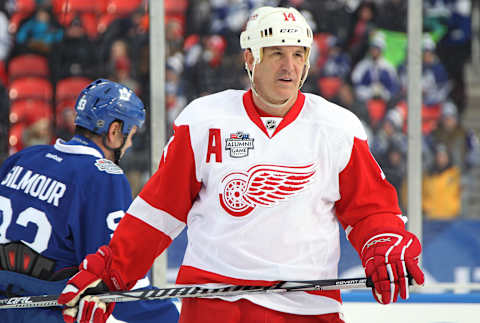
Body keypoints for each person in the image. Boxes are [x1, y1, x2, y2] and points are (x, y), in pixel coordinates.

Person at [58, 7, 424, 323]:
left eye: (299, 54)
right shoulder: (204, 119)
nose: (289, 65)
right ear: (250, 59)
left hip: (308, 306)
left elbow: (370, 210)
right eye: (277, 52)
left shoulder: (337, 127)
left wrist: (383, 241)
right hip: (214, 302)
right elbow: (159, 211)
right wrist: (111, 273)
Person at [0, 79, 179, 322]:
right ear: (114, 131)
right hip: (44, 314)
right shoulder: (102, 176)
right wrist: (176, 313)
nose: (129, 144)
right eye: (130, 135)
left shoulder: (25, 157)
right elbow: (114, 284)